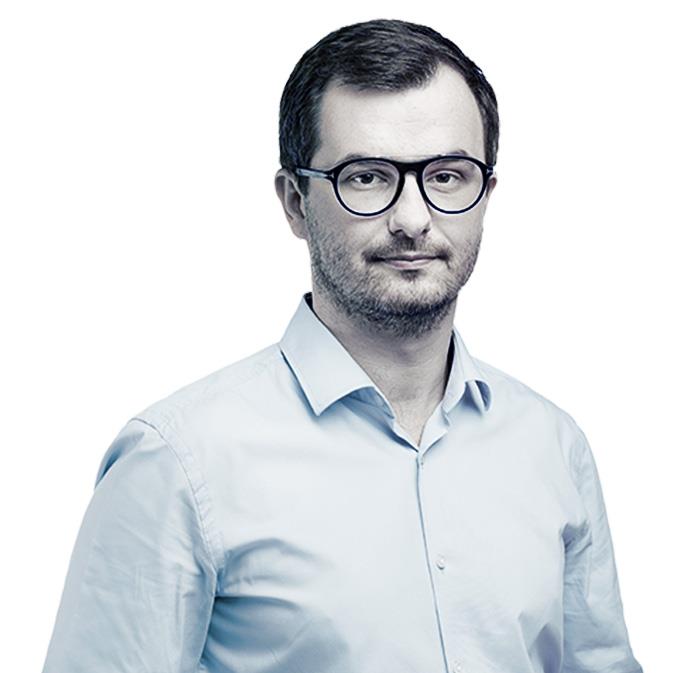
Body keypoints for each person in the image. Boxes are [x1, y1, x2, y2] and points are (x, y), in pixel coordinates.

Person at [42, 18, 643, 673]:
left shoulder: (552, 446)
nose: (412, 218)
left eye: (447, 176)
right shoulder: (177, 462)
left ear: (485, 195)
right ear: (295, 202)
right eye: (366, 177)